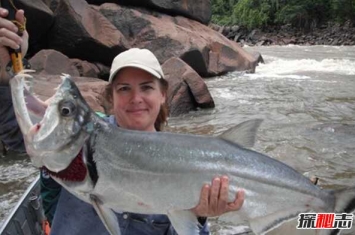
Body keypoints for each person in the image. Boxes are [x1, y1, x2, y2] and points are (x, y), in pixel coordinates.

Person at [0, 8, 245, 235]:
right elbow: (16, 128)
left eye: (146, 88)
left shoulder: (184, 159)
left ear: (162, 94)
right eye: (124, 88)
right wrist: (4, 69)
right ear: (111, 96)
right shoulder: (78, 133)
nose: (136, 98)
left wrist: (200, 216)